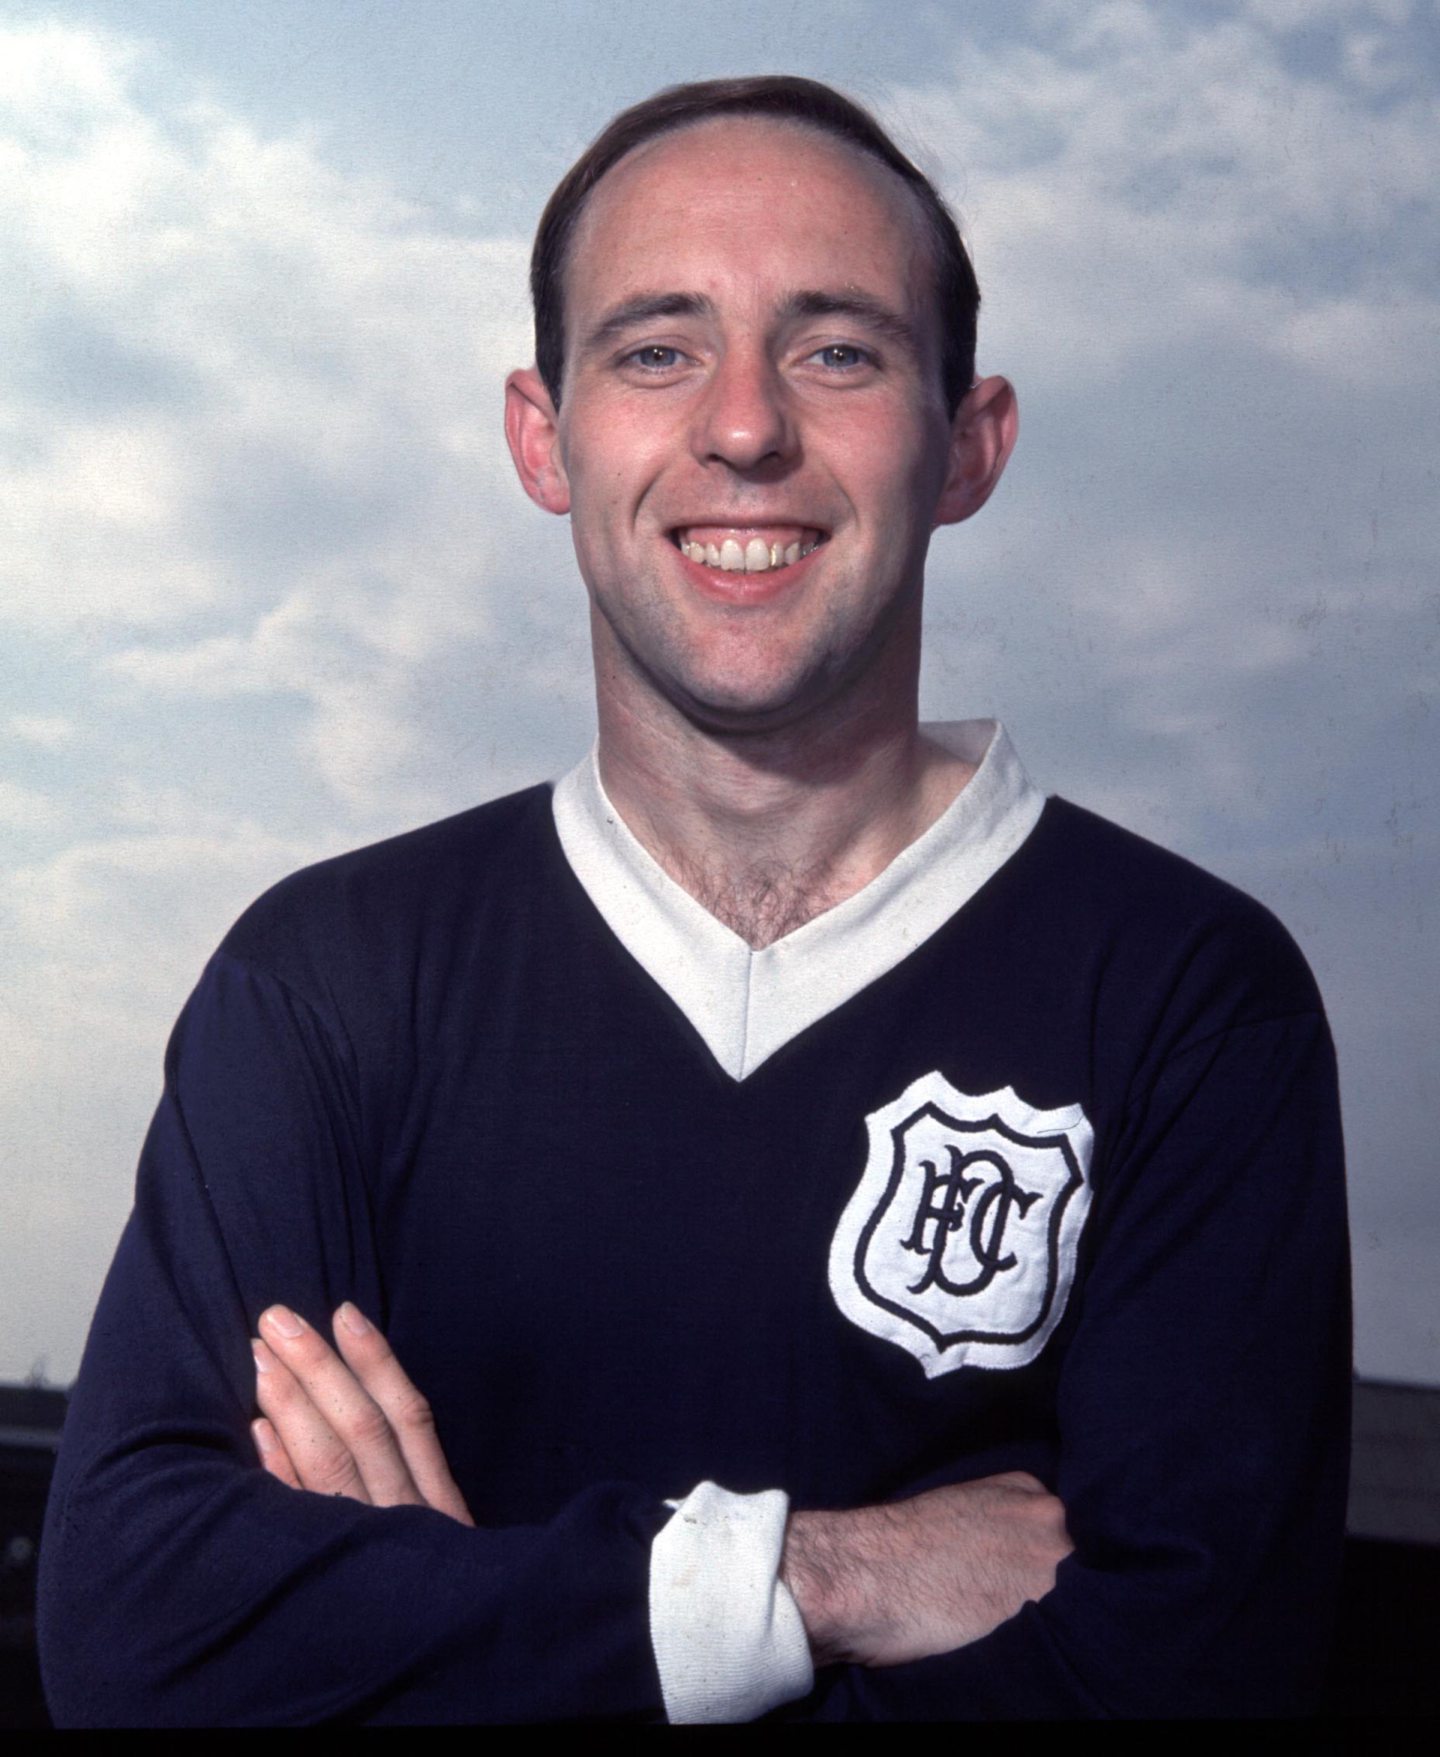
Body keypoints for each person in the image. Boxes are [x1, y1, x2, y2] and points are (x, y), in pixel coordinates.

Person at [38, 76, 1350, 1723]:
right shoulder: (327, 983)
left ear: (972, 443)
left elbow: (1195, 1692)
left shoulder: (1187, 997)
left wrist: (428, 1643)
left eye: (839, 351)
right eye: (656, 350)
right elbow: (141, 1638)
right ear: (544, 435)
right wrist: (825, 1578)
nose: (744, 425)